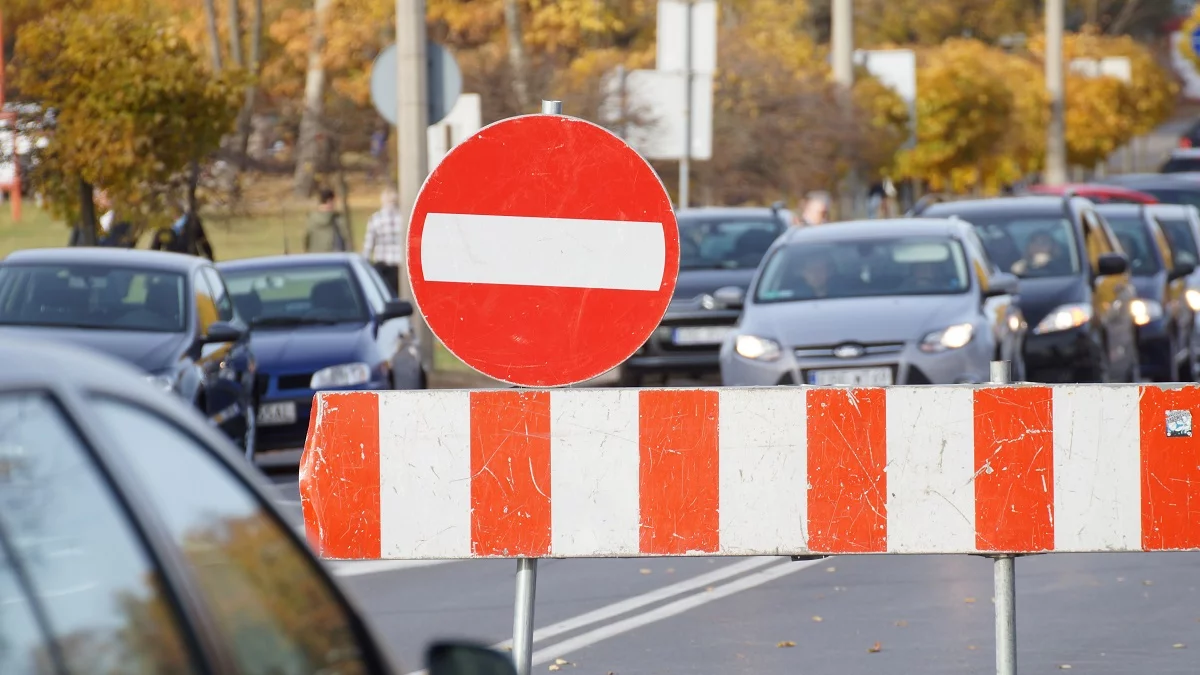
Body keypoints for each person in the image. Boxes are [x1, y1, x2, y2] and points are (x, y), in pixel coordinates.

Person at [362, 187, 404, 296]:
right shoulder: (403, 218)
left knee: (384, 296)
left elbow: (368, 246)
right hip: (400, 266)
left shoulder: (376, 219)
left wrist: (365, 265)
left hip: (382, 266)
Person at [305, 188, 350, 253]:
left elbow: (306, 241)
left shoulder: (311, 219)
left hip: (314, 259)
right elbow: (346, 240)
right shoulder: (337, 219)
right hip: (334, 259)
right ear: (330, 201)